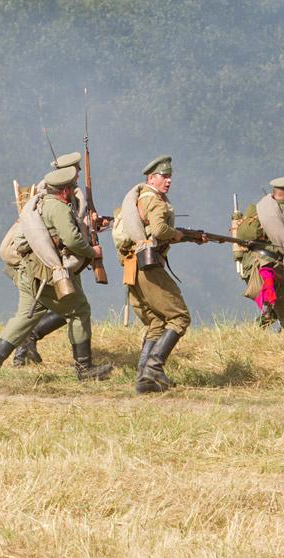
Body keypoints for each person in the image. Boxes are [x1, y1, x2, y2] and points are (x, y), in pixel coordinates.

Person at [0, 166, 111, 383]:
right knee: (79, 310)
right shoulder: (58, 208)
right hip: (46, 275)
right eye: (72, 187)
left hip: (30, 271)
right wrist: (91, 251)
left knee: (24, 318)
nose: (74, 190)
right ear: (65, 191)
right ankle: (84, 368)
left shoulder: (41, 202)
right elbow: (72, 240)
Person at [116, 155, 198, 393]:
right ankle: (153, 367)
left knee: (156, 322)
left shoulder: (140, 198)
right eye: (164, 176)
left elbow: (152, 232)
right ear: (151, 178)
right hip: (148, 266)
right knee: (180, 317)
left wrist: (188, 237)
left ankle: (144, 378)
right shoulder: (155, 201)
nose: (168, 180)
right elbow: (161, 230)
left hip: (133, 266)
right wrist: (176, 234)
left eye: (170, 176)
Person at [11, 151, 82, 367]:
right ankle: (24, 346)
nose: (78, 173)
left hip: (53, 260)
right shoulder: (48, 196)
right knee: (70, 306)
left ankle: (21, 352)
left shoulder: (59, 194)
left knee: (61, 306)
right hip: (44, 261)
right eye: (76, 170)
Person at [235, 176, 284, 333]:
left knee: (272, 313)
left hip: (251, 268)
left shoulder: (260, 208)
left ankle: (250, 334)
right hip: (271, 270)